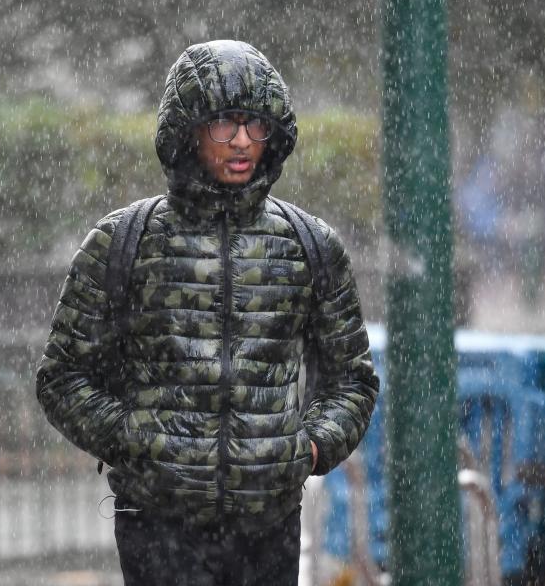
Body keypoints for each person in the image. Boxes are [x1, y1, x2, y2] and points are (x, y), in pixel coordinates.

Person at [36, 39, 379, 586]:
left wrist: (306, 449)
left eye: (255, 125)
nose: (242, 141)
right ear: (189, 131)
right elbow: (62, 378)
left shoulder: (310, 246)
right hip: (157, 527)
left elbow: (353, 381)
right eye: (223, 124)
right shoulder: (123, 241)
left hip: (268, 529)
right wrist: (136, 441)